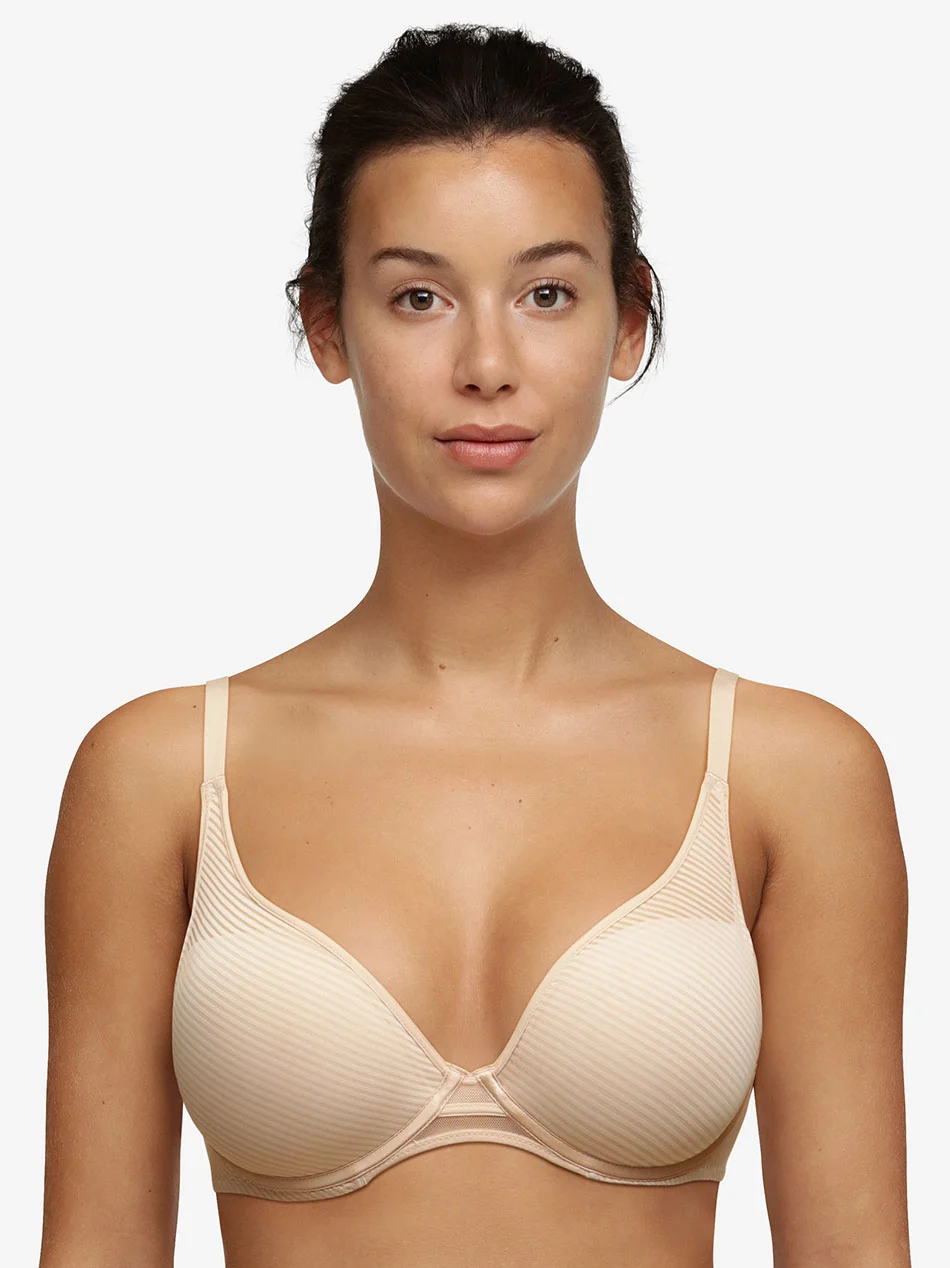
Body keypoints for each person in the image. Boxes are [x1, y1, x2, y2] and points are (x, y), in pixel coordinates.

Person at [39, 22, 911, 1268]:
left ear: (627, 319)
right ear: (327, 325)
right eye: (419, 297)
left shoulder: (793, 774)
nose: (487, 364)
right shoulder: (159, 774)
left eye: (546, 292)